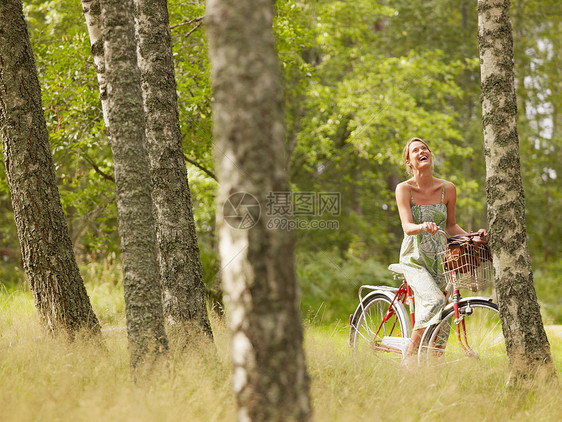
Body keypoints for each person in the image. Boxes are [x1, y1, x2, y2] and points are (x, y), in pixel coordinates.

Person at [395, 137, 486, 365]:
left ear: (430, 155)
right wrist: (421, 226)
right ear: (409, 162)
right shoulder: (404, 189)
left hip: (441, 260)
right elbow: (406, 226)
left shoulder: (447, 189)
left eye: (424, 148)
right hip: (414, 259)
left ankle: (434, 367)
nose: (421, 151)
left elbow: (451, 226)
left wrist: (472, 237)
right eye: (415, 150)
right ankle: (409, 358)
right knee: (435, 300)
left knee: (445, 313)